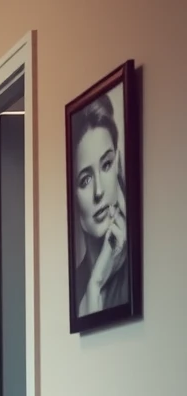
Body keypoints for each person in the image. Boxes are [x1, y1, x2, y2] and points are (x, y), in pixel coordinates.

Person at [71, 93, 130, 316]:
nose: (99, 191)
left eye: (106, 165)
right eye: (85, 180)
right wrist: (94, 283)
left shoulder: (137, 272)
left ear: (118, 166)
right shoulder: (75, 285)